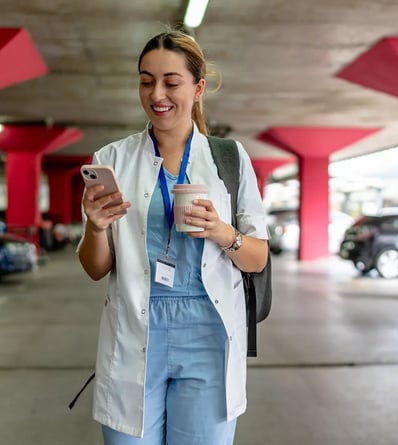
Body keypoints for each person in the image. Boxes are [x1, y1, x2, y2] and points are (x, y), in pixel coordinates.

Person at [77, 30, 268, 445]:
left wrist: (222, 232)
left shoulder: (229, 159)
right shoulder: (111, 160)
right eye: (146, 81)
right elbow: (95, 269)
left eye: (171, 82)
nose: (157, 93)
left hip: (208, 337)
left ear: (198, 88)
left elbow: (257, 259)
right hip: (135, 332)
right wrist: (95, 226)